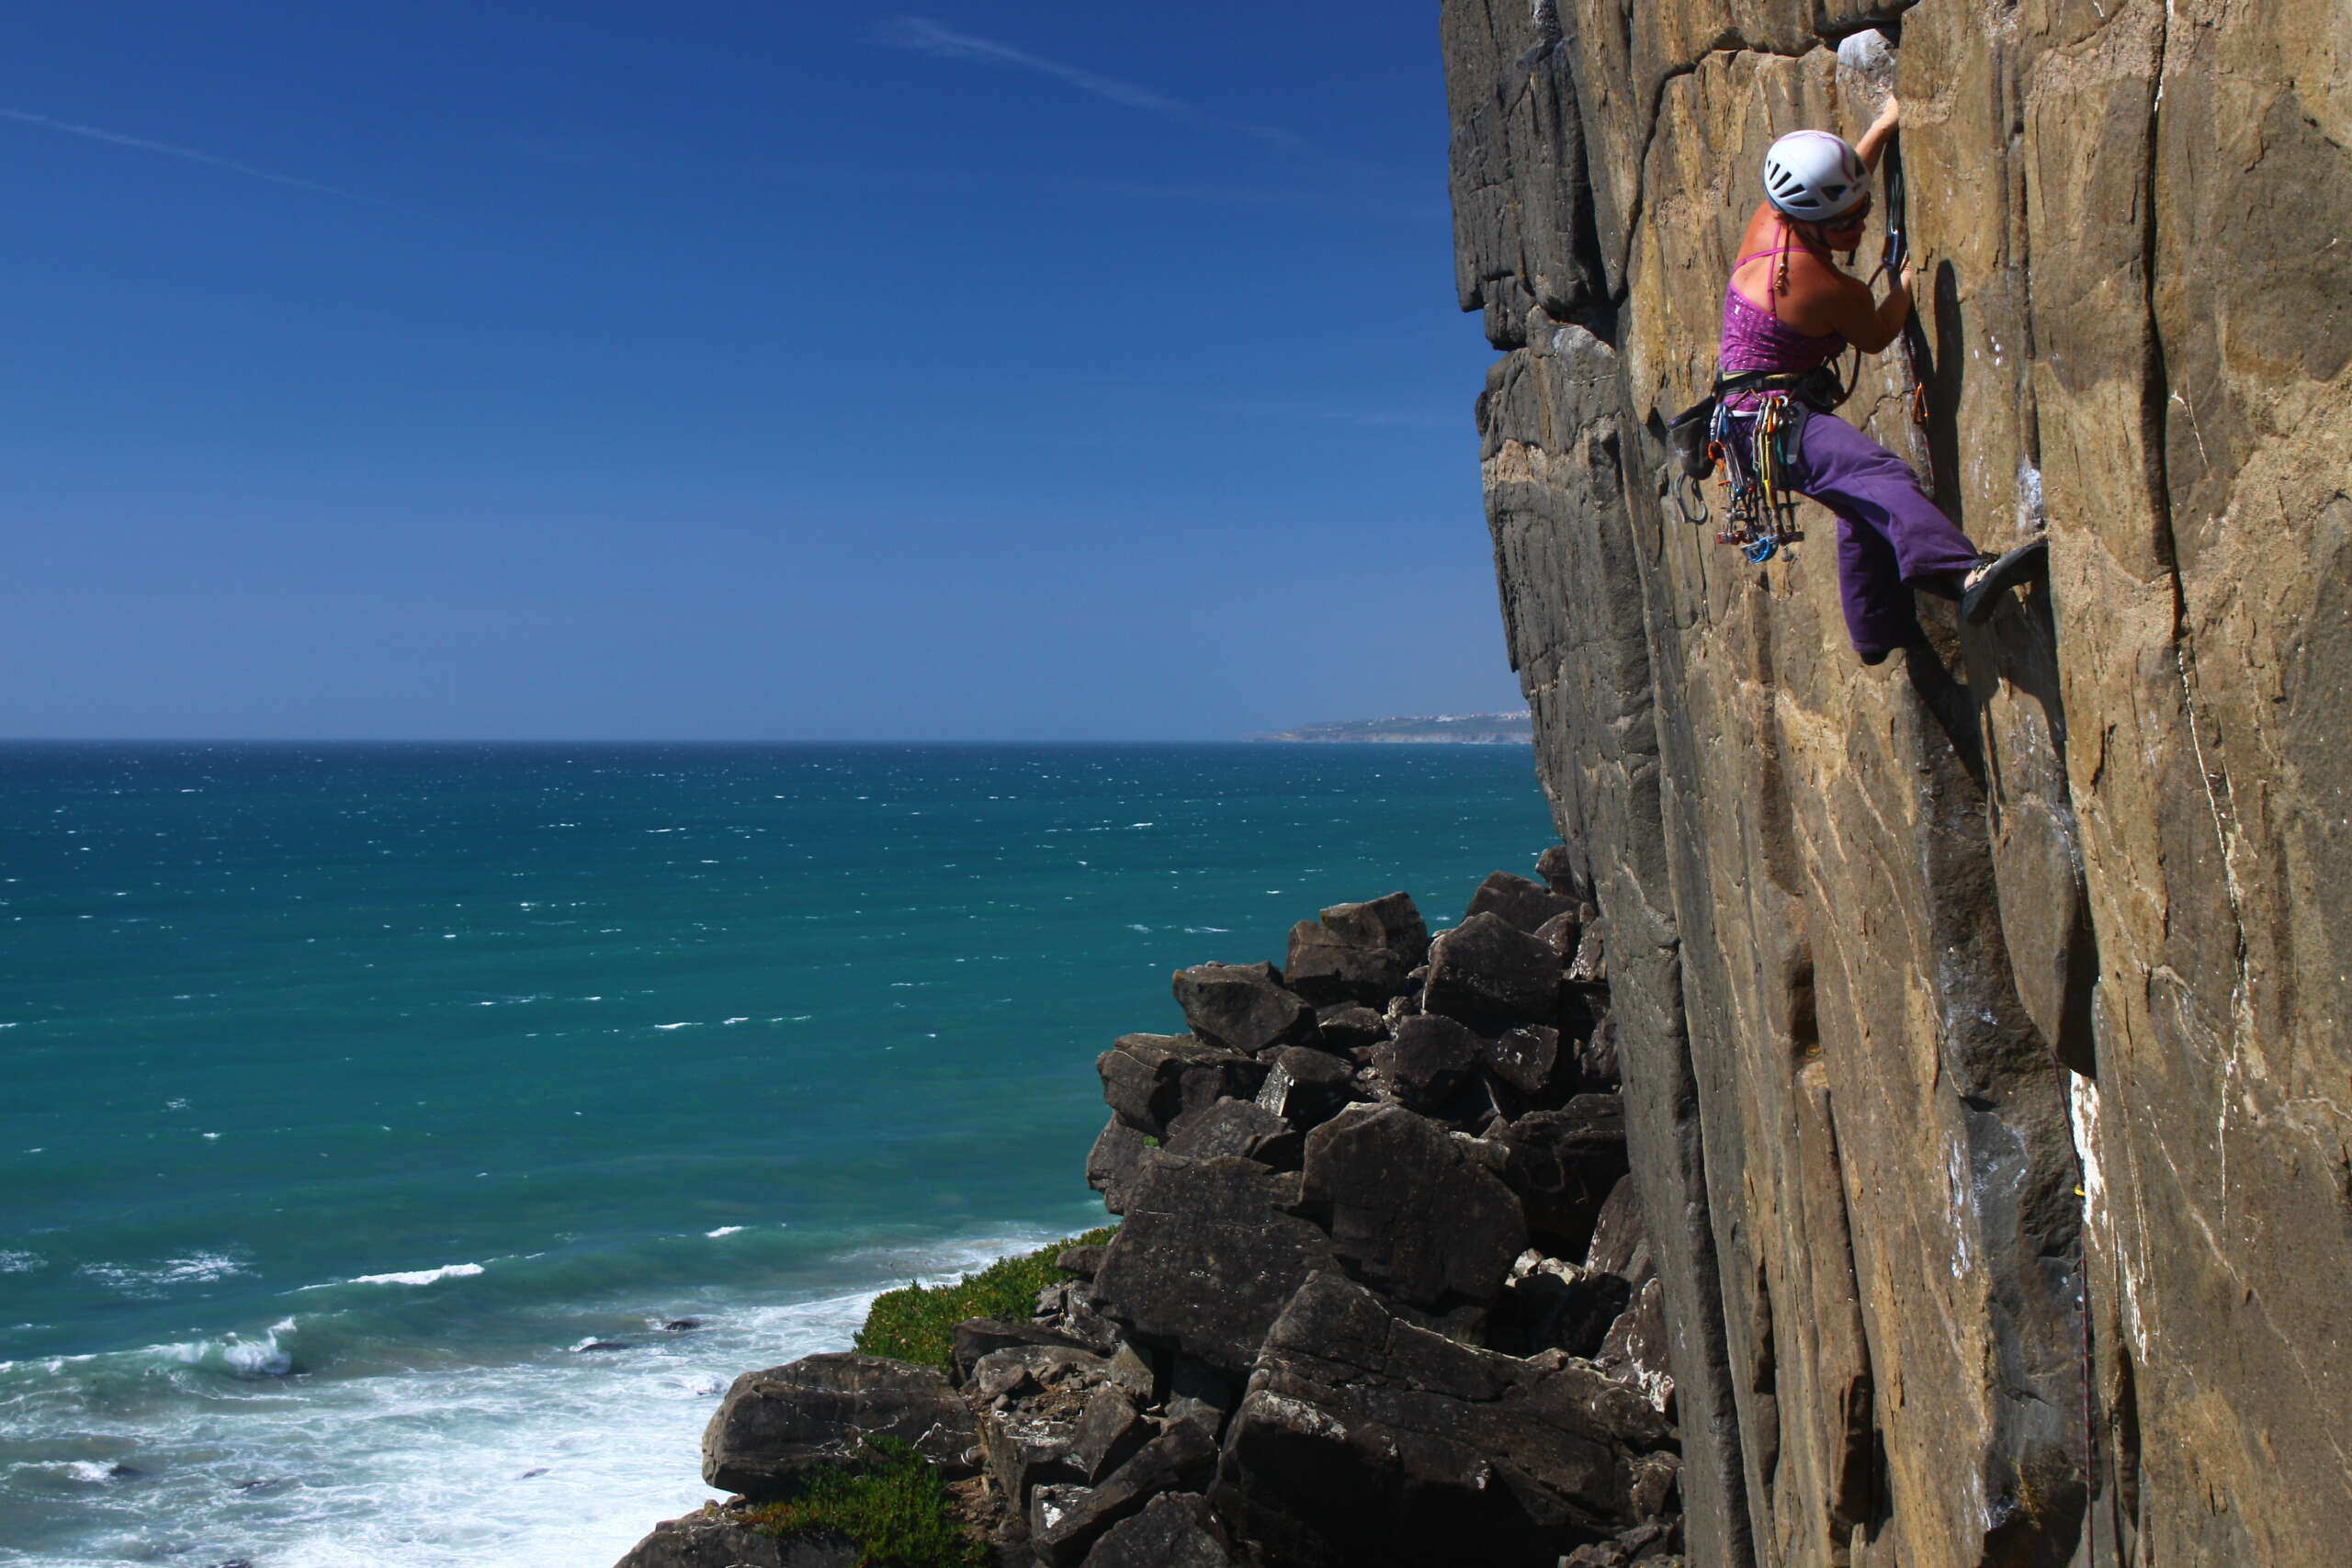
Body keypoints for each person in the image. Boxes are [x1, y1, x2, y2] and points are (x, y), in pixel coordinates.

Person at [1719, 96, 2045, 662]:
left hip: (1755, 417)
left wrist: (1880, 129)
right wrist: (1904, 290)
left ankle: (1875, 632)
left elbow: (1839, 184)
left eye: (1863, 208)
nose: (1860, 223)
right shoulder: (1816, 286)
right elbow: (1874, 334)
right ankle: (1963, 576)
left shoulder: (1773, 217)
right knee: (1878, 473)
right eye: (1847, 222)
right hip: (1773, 424)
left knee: (1858, 500)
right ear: (1809, 224)